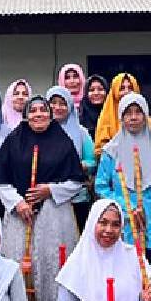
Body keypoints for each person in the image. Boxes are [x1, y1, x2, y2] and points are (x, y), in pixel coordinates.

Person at [0, 95, 86, 301]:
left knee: (52, 274)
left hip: (54, 219)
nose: (38, 115)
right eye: (32, 111)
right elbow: (0, 180)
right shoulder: (14, 141)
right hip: (19, 219)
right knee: (22, 275)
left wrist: (50, 190)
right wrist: (18, 203)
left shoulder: (63, 142)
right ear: (25, 115)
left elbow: (77, 181)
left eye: (42, 110)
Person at [94, 92, 151, 301]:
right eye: (128, 113)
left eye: (137, 112)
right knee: (127, 279)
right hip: (123, 225)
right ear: (121, 117)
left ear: (145, 115)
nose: (133, 118)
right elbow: (101, 186)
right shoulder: (111, 151)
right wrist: (126, 206)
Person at [46, 86, 97, 230]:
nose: (57, 107)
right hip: (47, 198)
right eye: (53, 102)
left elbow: (93, 161)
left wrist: (77, 166)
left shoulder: (81, 132)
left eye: (62, 103)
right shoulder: (40, 131)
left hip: (77, 198)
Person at [93, 72, 143, 155]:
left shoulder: (144, 116)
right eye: (122, 88)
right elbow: (100, 151)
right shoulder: (106, 117)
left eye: (130, 88)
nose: (127, 92)